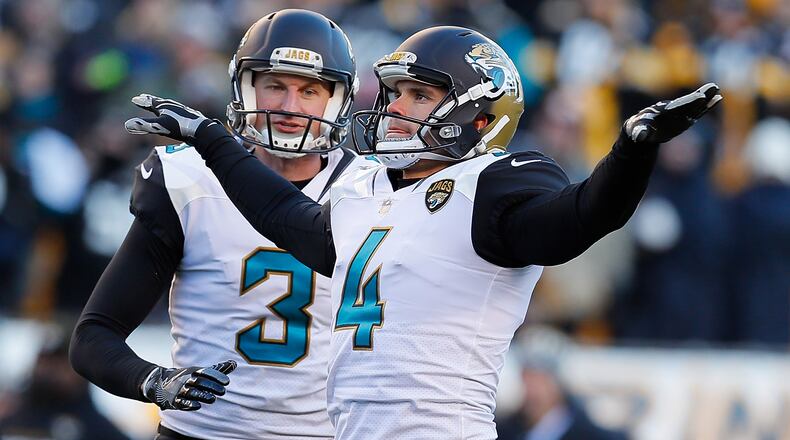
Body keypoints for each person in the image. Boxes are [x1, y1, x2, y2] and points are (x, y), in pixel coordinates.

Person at [124, 26, 721, 439]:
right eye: (396, 93)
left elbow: (580, 219)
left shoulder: (494, 182)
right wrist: (212, 138)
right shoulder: (372, 193)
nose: (395, 108)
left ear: (478, 116)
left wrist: (630, 154)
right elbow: (285, 219)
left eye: (418, 95)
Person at [70, 9, 362, 439]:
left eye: (310, 90)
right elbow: (94, 336)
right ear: (245, 88)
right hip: (200, 432)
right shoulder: (190, 180)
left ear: (336, 100)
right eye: (275, 86)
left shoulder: (371, 190)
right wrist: (154, 380)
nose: (289, 106)